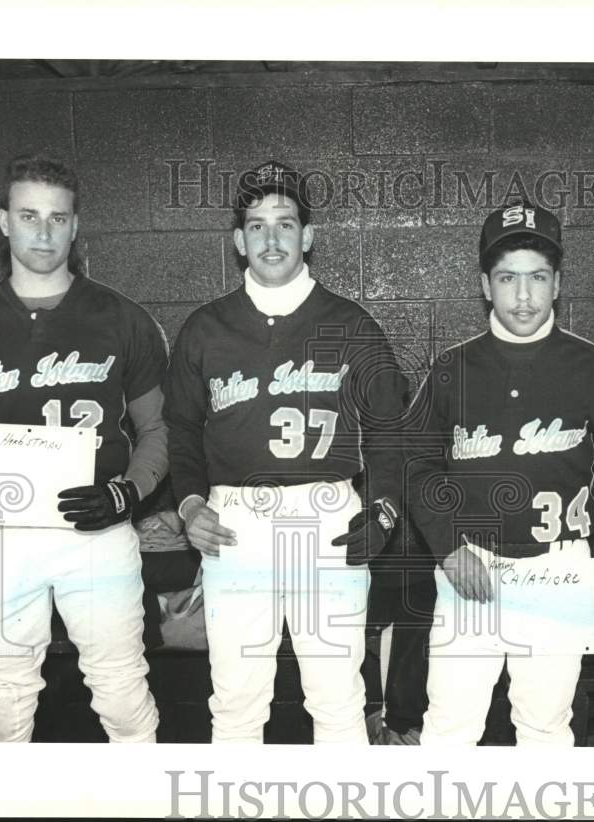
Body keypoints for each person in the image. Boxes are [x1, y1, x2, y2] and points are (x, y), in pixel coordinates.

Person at [0, 154, 167, 743]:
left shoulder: (124, 319)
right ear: (4, 222)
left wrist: (127, 491)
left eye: (59, 217)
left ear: (76, 226)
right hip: (0, 534)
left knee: (123, 690)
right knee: (2, 700)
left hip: (96, 533)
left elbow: (161, 430)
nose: (45, 232)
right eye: (29, 215)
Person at [164, 160, 407, 744]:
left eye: (286, 223)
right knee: (237, 700)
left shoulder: (353, 324)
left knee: (338, 698)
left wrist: (383, 510)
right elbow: (180, 430)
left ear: (309, 236)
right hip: (236, 521)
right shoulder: (204, 328)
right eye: (256, 226)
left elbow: (392, 434)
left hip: (327, 516)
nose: (271, 239)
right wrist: (191, 507)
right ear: (238, 242)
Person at [404, 201, 594, 746]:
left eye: (537, 278)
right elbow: (416, 465)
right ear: (486, 285)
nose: (524, 296)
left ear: (557, 284)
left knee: (546, 726)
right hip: (472, 564)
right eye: (508, 278)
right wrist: (448, 547)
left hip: (559, 565)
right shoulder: (452, 369)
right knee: (449, 727)